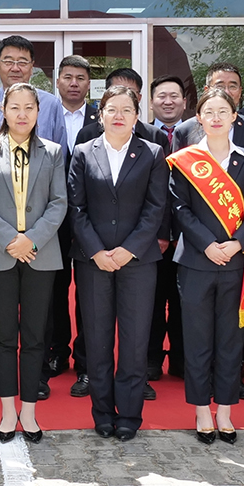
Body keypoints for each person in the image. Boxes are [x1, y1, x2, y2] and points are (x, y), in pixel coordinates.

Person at [169, 88, 244, 446]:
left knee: (231, 340)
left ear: (234, 118)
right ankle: (202, 410)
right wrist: (207, 244)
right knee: (197, 339)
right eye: (209, 112)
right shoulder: (185, 160)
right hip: (195, 262)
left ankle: (226, 411)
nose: (216, 118)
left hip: (235, 262)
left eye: (222, 112)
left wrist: (237, 243)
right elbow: (179, 208)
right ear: (199, 118)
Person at [66, 85, 168, 441]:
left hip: (138, 261)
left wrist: (129, 249)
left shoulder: (152, 153)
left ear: (137, 116)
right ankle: (103, 413)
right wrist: (96, 251)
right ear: (101, 115)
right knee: (97, 341)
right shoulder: (83, 152)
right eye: (112, 109)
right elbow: (75, 208)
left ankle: (129, 414)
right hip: (92, 261)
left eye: (127, 109)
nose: (119, 115)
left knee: (134, 341)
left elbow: (156, 208)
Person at [0, 83, 67, 441]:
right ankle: (8, 412)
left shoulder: (53, 151)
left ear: (39, 112)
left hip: (40, 252)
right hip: (0, 253)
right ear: (3, 111)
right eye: (15, 107)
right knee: (4, 335)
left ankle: (30, 412)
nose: (22, 114)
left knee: (36, 336)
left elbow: (59, 202)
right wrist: (11, 240)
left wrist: (32, 239)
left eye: (29, 107)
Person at [47, 56, 98, 386]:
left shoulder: (99, 118)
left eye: (80, 78)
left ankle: (85, 358)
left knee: (86, 291)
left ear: (89, 84)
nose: (74, 83)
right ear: (58, 82)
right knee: (54, 287)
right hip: (51, 215)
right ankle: (57, 350)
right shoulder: (44, 114)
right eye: (68, 77)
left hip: (88, 215)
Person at [0, 36, 69, 152]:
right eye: (8, 62)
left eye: (22, 62)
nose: (15, 68)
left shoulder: (51, 104)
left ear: (31, 67)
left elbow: (60, 154)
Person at [149, 76, 189, 148]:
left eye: (174, 96)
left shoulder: (195, 135)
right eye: (162, 96)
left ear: (184, 103)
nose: (168, 102)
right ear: (151, 103)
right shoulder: (141, 135)